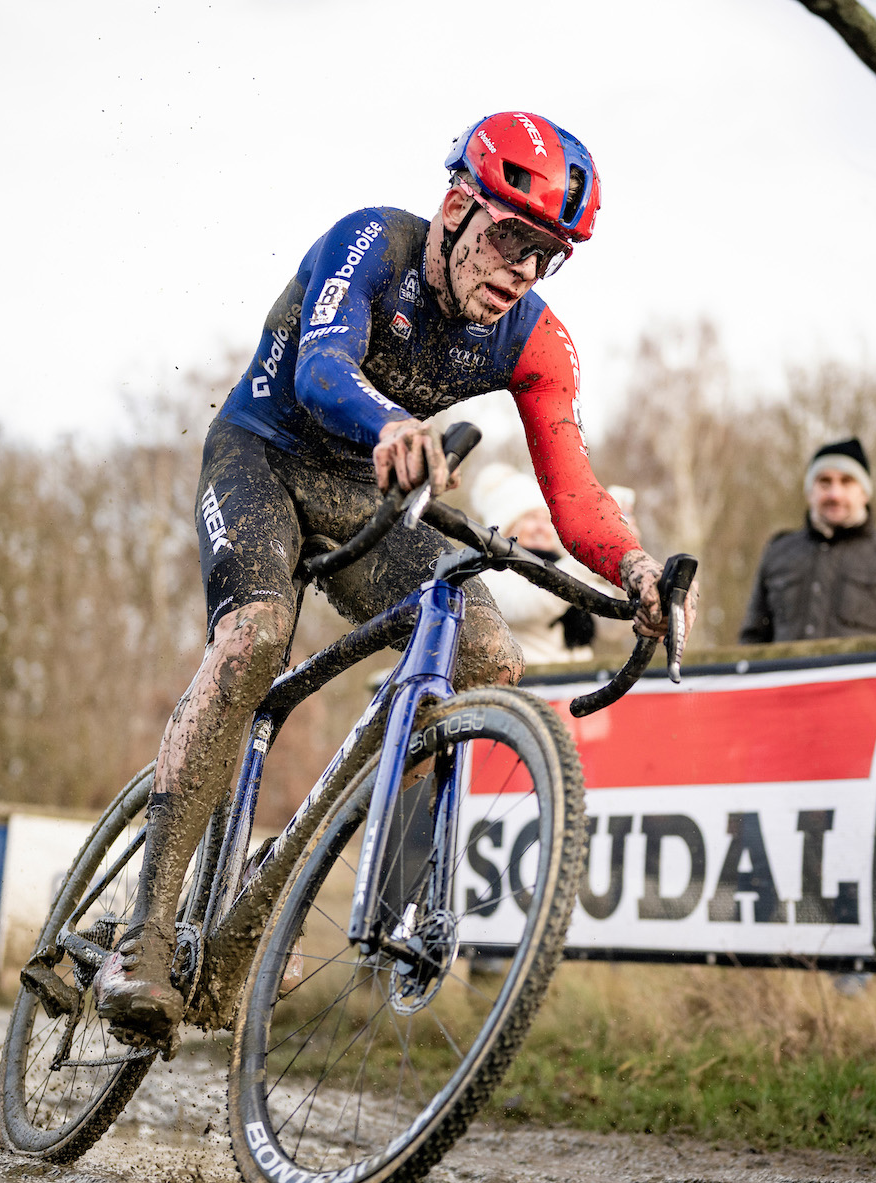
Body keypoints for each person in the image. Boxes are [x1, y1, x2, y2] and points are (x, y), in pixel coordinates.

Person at [88, 111, 696, 1043]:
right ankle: (144, 933)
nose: (521, 272)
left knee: (488, 659)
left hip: (374, 492)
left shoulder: (537, 343)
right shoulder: (375, 241)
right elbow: (322, 369)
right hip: (265, 455)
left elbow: (572, 493)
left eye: (547, 257)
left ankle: (269, 901)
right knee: (253, 642)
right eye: (508, 239)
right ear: (457, 207)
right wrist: (392, 425)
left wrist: (639, 569)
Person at [737, 438, 876, 644]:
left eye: (846, 482)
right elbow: (751, 642)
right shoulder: (778, 552)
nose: (835, 494)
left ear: (864, 493)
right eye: (824, 482)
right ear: (810, 492)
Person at [472, 463, 601, 666]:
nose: (542, 528)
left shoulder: (562, 565)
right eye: (531, 518)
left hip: (583, 686)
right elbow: (530, 605)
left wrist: (618, 563)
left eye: (548, 519)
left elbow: (614, 620)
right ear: (507, 525)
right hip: (529, 687)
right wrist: (588, 557)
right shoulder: (487, 575)